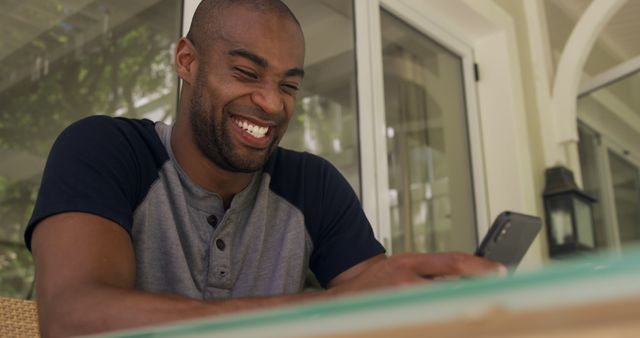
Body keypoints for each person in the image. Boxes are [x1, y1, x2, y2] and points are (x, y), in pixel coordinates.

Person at [25, 0, 504, 337]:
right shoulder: (106, 149)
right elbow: (73, 321)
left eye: (289, 86)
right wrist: (329, 308)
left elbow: (375, 312)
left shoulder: (313, 185)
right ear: (187, 61)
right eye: (247, 74)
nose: (272, 103)